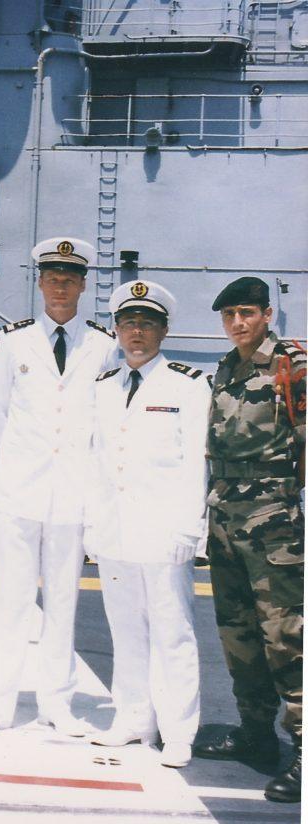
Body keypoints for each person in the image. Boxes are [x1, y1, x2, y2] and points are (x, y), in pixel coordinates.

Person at [0, 237, 117, 737]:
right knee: (9, 599)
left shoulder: (102, 344)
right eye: (52, 276)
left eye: (70, 277)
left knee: (62, 603)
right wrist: (27, 458)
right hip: (19, 492)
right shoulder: (13, 341)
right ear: (39, 281)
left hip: (72, 493)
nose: (60, 285)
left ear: (84, 284)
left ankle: (57, 702)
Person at [87, 280, 210, 768]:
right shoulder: (104, 386)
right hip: (114, 531)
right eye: (128, 322)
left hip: (163, 532)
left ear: (164, 329)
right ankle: (134, 718)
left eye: (148, 323)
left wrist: (189, 530)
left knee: (172, 632)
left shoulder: (186, 383)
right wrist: (90, 526)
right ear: (116, 329)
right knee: (125, 629)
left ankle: (179, 731)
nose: (137, 332)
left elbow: (194, 464)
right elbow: (95, 460)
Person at [194, 276, 304, 804]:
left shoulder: (293, 365)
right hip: (226, 516)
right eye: (229, 315)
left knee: (286, 638)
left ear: (266, 314)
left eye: (246, 313)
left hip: (275, 520)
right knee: (238, 635)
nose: (237, 323)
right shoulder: (227, 368)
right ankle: (257, 735)